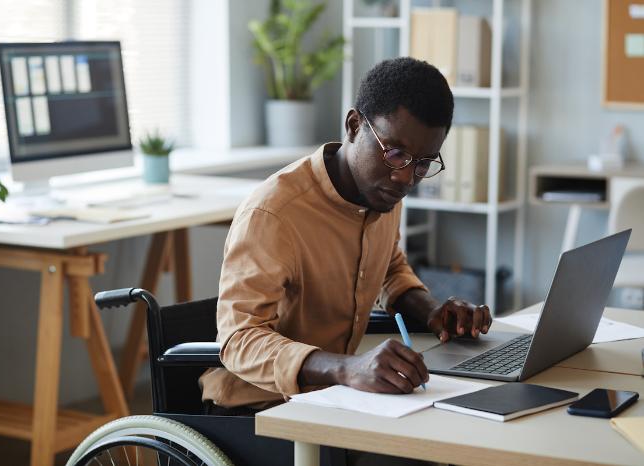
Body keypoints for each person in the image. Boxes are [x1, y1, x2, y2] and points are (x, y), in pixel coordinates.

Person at [200, 57, 493, 464]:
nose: (407, 178)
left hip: (338, 403)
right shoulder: (274, 213)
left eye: (423, 163)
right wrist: (347, 368)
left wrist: (433, 312)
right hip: (258, 414)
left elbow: (389, 267)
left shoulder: (382, 191)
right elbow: (238, 341)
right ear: (354, 125)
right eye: (395, 153)